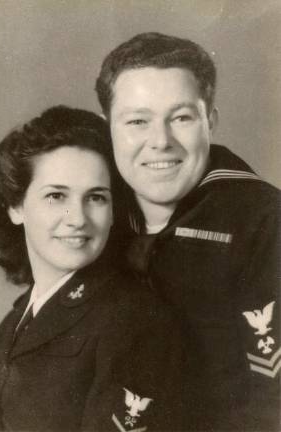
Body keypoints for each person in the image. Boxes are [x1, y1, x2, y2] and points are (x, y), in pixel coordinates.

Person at [96, 32, 281, 431]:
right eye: (137, 122)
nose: (160, 142)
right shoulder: (91, 213)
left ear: (210, 121)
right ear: (108, 128)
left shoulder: (264, 222)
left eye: (181, 117)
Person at [0, 105, 177, 431]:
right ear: (16, 206)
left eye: (96, 197)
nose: (78, 219)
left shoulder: (133, 320)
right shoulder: (17, 319)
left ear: (114, 211)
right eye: (56, 196)